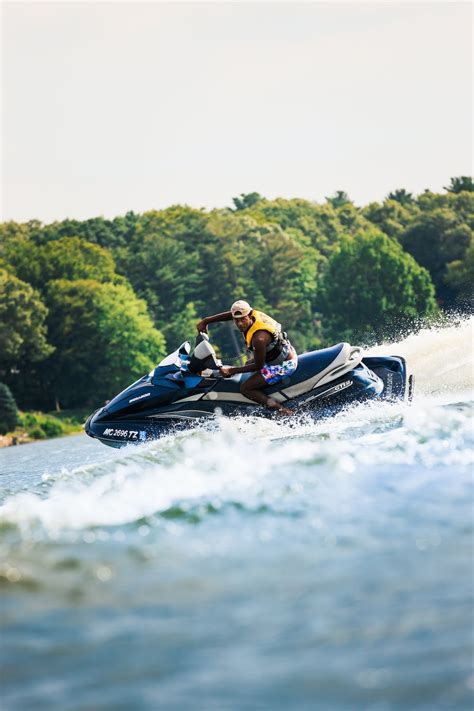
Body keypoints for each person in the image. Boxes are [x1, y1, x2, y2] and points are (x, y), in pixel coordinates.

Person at [196, 300, 297, 415]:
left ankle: (283, 411)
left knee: (246, 388)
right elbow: (232, 314)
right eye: (236, 320)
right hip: (280, 353)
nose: (239, 324)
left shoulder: (259, 339)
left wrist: (231, 370)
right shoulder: (252, 315)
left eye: (243, 319)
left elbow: (258, 366)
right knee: (247, 364)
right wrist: (206, 321)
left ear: (249, 315)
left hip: (285, 365)